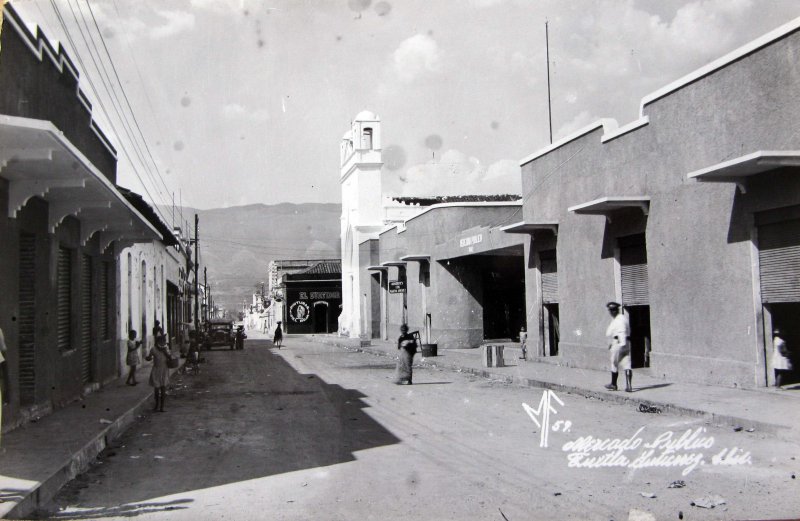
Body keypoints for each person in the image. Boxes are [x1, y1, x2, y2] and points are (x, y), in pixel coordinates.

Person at [604, 302, 632, 392]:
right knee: (627, 363)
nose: (611, 312)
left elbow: (621, 331)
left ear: (615, 310)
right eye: (610, 310)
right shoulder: (623, 318)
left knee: (614, 363)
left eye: (612, 310)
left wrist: (621, 343)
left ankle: (613, 384)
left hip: (619, 342)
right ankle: (629, 386)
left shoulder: (618, 320)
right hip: (626, 342)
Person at [145, 334, 172, 412]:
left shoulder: (166, 348)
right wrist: (148, 358)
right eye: (162, 341)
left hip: (164, 370)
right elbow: (149, 358)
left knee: (163, 388)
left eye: (164, 341)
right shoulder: (153, 349)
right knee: (156, 389)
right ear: (157, 342)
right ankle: (156, 405)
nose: (163, 343)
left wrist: (165, 352)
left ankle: (162, 407)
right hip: (156, 370)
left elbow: (170, 358)